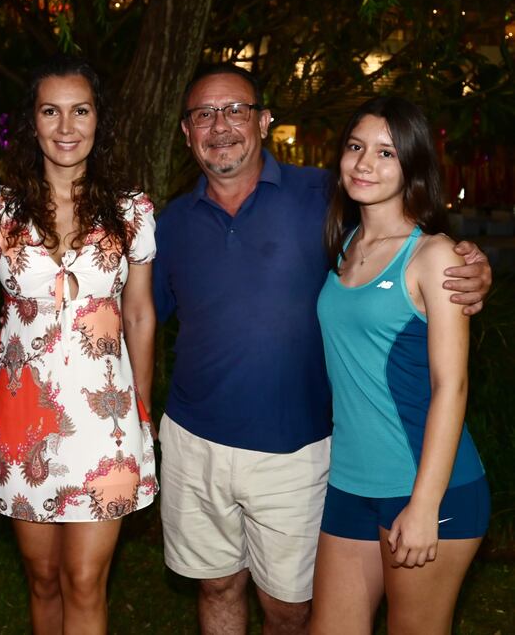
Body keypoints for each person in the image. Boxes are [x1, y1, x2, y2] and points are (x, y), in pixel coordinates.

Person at [152, 63, 492, 635]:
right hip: (277, 464)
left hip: (323, 455)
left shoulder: (322, 198)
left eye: (235, 109)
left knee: (293, 611)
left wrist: (468, 266)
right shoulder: (175, 223)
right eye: (204, 114)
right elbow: (137, 315)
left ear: (263, 121)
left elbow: (448, 376)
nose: (221, 125)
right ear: (185, 132)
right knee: (234, 593)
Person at [0, 57, 157, 635]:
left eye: (80, 110)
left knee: (83, 580)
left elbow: (140, 313)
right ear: (33, 122)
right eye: (50, 111)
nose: (66, 126)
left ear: (99, 119)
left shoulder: (130, 211)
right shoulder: (0, 208)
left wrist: (140, 413)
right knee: (43, 577)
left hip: (106, 425)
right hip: (21, 421)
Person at [311, 97, 488, 634]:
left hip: (426, 485)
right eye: (355, 147)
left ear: (411, 165)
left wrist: (424, 504)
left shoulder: (434, 256)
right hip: (349, 484)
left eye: (386, 152)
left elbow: (451, 386)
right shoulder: (346, 245)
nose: (365, 164)